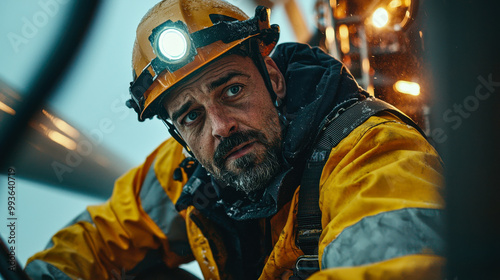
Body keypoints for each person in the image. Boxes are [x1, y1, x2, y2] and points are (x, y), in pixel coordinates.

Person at [25, 0, 445, 279]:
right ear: (178, 134)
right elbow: (102, 236)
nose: (220, 126)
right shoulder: (184, 171)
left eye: (231, 90)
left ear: (274, 79)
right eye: (191, 116)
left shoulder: (371, 152)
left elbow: (396, 267)